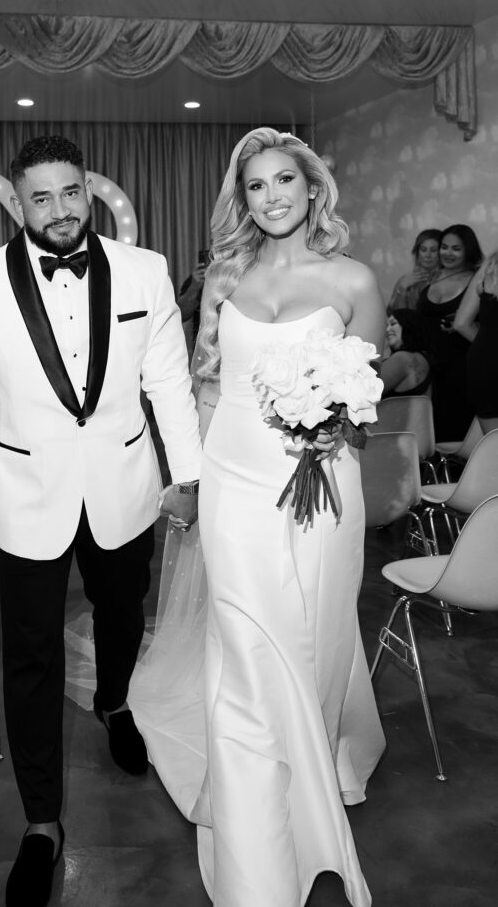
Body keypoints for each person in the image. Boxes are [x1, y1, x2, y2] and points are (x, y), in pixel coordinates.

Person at [0, 135, 202, 907]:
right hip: (24, 495)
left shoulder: (145, 271)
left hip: (126, 483)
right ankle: (41, 821)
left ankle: (113, 700)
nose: (59, 209)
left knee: (123, 616)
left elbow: (169, 382)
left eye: (70, 192)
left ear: (90, 192)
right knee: (30, 656)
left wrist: (185, 474)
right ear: (17, 204)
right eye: (40, 197)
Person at [132, 127, 386, 907]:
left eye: (285, 181)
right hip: (236, 480)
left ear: (313, 189)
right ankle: (253, 833)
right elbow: (208, 386)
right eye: (255, 186)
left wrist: (328, 423)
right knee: (243, 641)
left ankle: (316, 772)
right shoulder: (222, 279)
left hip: (324, 482)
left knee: (313, 635)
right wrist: (192, 480)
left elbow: (364, 399)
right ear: (239, 199)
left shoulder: (353, 280)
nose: (271, 197)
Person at [416, 224, 483, 440]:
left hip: (462, 365)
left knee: (457, 432)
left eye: (456, 248)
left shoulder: (477, 279)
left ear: (468, 251)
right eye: (444, 247)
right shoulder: (429, 277)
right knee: (427, 430)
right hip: (428, 365)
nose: (447, 253)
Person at [453, 247, 498, 435]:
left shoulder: (491, 265)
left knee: (494, 448)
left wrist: (489, 348)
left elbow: (461, 323)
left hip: (485, 363)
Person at [386, 228, 441, 312]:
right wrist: (402, 289)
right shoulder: (405, 279)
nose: (428, 255)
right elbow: (398, 316)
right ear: (417, 252)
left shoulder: (446, 280)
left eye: (433, 250)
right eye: (423, 250)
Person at [380, 309, 431, 396]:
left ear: (408, 325)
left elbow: (365, 392)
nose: (387, 329)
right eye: (386, 326)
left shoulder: (402, 358)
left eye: (393, 323)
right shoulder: (422, 357)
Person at [176, 257, 207, 360]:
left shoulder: (241, 273)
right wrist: (194, 286)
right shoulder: (199, 278)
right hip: (204, 350)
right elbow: (181, 314)